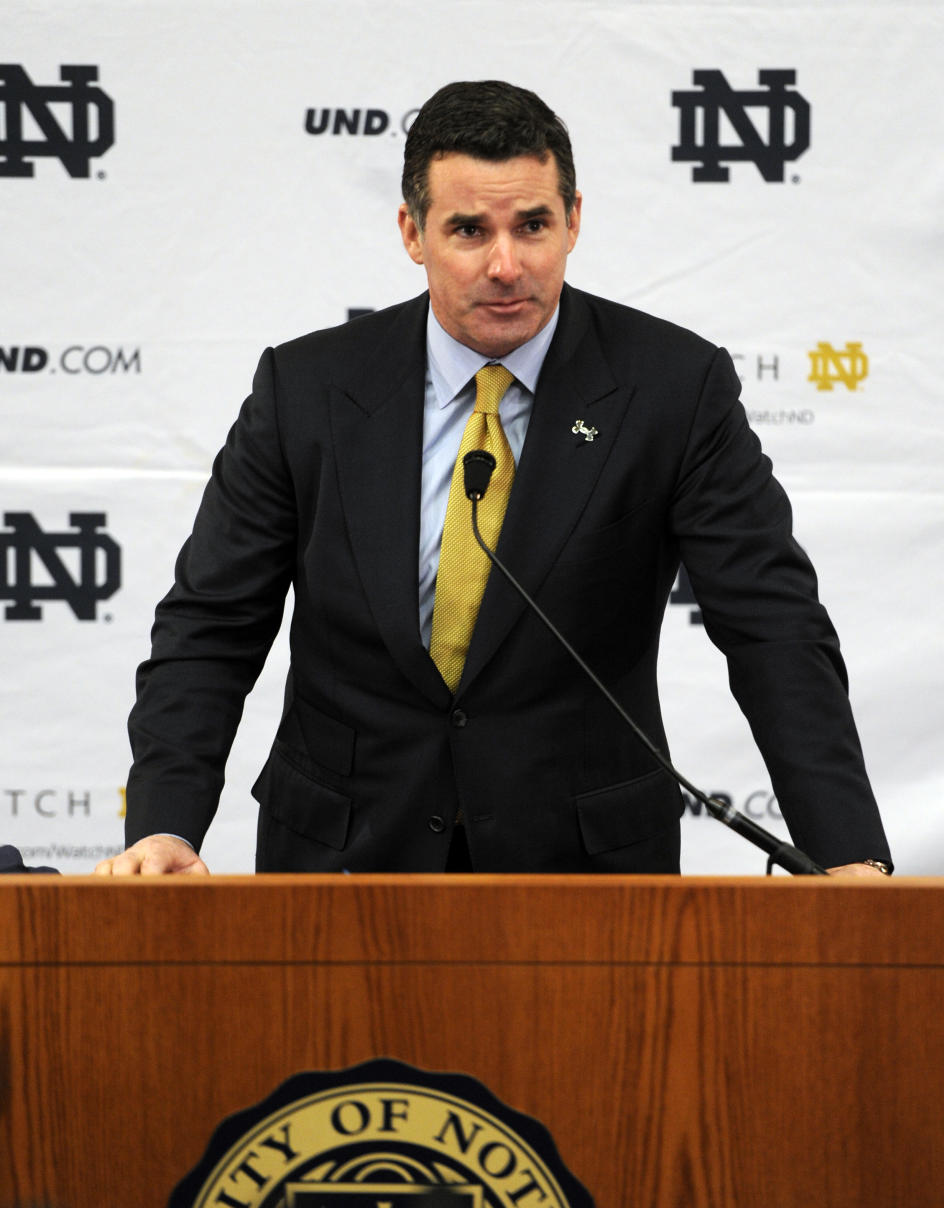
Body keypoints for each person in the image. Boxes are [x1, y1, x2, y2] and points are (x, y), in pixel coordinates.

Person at [95, 80, 891, 879]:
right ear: (412, 232)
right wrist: (164, 826)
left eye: (534, 226)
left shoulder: (675, 389)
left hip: (585, 869)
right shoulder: (306, 390)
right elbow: (211, 625)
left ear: (574, 219)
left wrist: (846, 852)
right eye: (470, 230)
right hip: (342, 859)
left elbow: (774, 629)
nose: (507, 265)